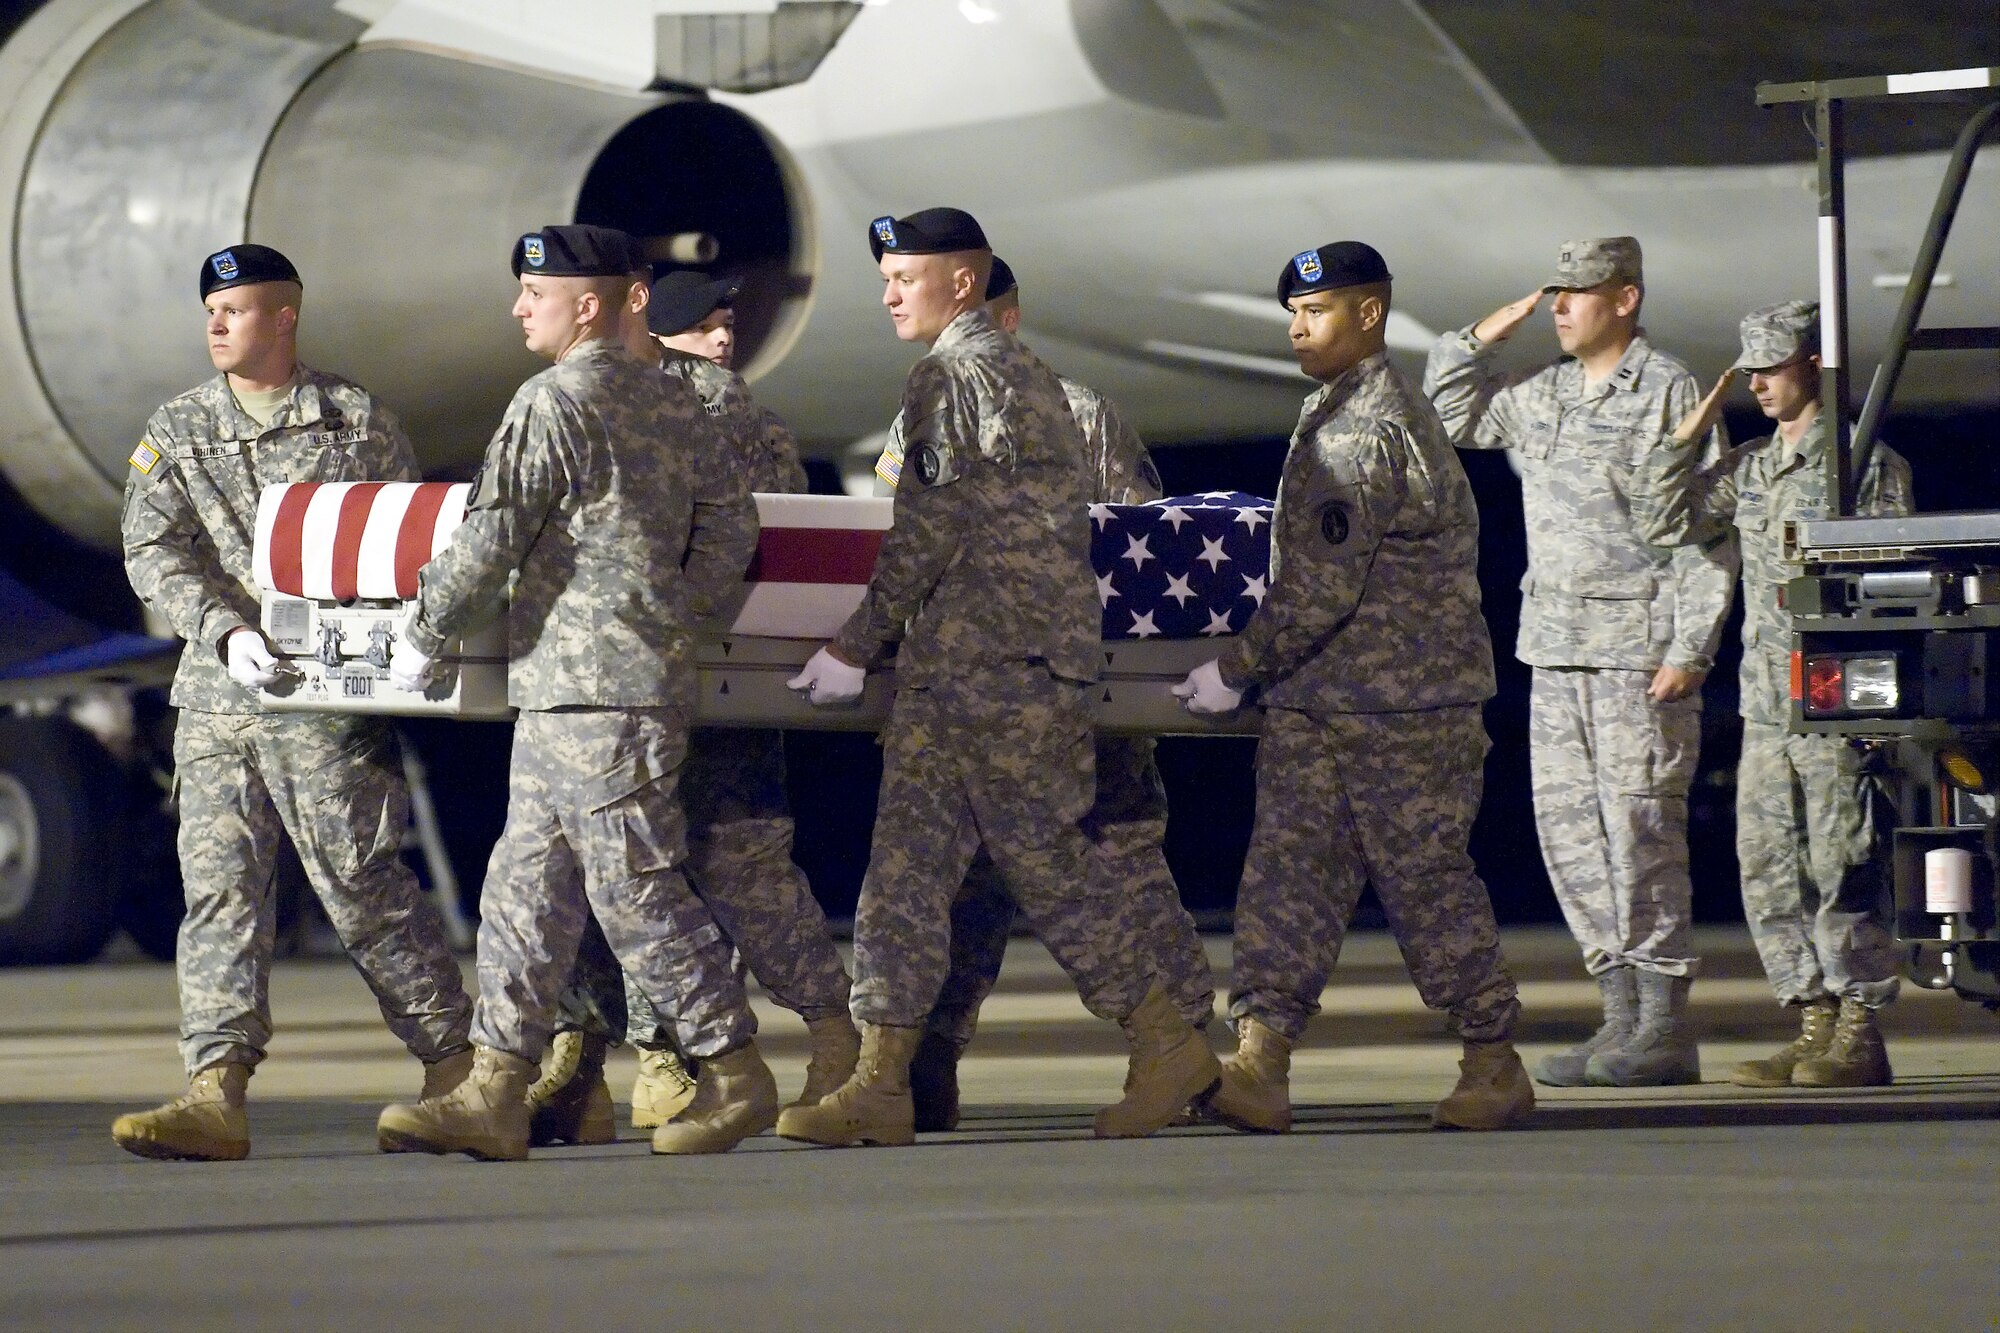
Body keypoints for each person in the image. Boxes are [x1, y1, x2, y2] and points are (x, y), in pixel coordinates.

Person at [776, 207, 1218, 1147]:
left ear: (965, 284)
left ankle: (1167, 1039)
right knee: (909, 874)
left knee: (1045, 873)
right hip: (1004, 667)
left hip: (982, 671)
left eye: (908, 275)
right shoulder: (1033, 382)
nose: (890, 290)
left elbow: (928, 530)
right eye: (886, 275)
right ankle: (884, 1081)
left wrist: (853, 645)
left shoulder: (950, 376)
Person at [373, 224, 770, 1160]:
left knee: (633, 887)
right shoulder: (678, 404)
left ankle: (735, 1066)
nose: (518, 307)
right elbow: (733, 526)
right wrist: (675, 607)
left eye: (533, 292)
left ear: (585, 304)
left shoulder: (552, 402)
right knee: (523, 888)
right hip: (600, 684)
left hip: (593, 691)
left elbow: (488, 539)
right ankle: (495, 1089)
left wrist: (424, 626)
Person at [112, 244, 474, 1162]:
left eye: (236, 310)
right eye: (211, 312)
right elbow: (152, 546)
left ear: (285, 318)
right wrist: (221, 629)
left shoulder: (354, 420)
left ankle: (455, 1063)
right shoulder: (179, 428)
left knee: (362, 885)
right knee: (221, 892)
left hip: (325, 697)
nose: (217, 325)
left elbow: (403, 546)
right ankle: (213, 1089)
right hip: (219, 696)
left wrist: (396, 657)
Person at [1176, 241, 1532, 1132]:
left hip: (1402, 705)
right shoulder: (1335, 411)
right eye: (1293, 314)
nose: (1299, 328)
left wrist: (1233, 668)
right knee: (1286, 877)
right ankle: (1261, 1058)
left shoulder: (1365, 428)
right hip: (1325, 697)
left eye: (1319, 312)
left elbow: (1321, 584)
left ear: (1368, 314)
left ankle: (1493, 1058)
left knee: (1424, 883)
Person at [524, 267, 860, 1145]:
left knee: (624, 870)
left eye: (727, 325)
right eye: (705, 327)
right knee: (688, 868)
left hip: (647, 678)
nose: (722, 342)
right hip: (708, 676)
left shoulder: (633, 399)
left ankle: (628, 1058)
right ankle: (795, 1042)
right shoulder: (706, 405)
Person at [1424, 237, 1737, 1089]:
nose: (1560, 307)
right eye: (1554, 293)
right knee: (1571, 834)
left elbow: (1704, 528)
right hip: (1557, 647)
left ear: (1626, 299)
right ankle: (1619, 1016)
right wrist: (1485, 332)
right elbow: (1449, 408)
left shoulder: (1665, 387)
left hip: (1640, 650)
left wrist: (1691, 647)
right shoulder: (1547, 392)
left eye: (1579, 293)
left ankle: (1664, 1024)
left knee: (1639, 832)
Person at [1640, 301, 1909, 1087]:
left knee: (1842, 857)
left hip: (1834, 702)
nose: (1757, 382)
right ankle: (1812, 1017)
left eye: (1772, 366)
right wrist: (1686, 436)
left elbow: (1892, 582)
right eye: (1749, 368)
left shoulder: (1862, 463)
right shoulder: (1754, 466)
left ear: (1814, 366)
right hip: (1765, 701)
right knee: (1767, 862)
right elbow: (1666, 520)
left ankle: (1859, 1024)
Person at [651, 269, 739, 368]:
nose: (725, 338)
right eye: (703, 328)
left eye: (728, 325)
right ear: (656, 340)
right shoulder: (638, 382)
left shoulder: (730, 382)